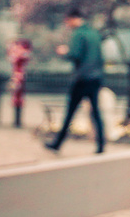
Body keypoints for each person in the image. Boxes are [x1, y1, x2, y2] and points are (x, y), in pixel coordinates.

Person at [45, 8, 105, 153]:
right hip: (96, 77)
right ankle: (101, 144)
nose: (67, 24)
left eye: (67, 21)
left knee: (71, 111)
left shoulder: (78, 34)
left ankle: (57, 143)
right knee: (95, 112)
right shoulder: (94, 33)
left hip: (82, 78)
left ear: (73, 18)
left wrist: (64, 52)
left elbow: (75, 54)